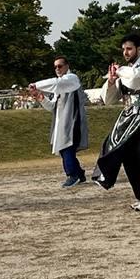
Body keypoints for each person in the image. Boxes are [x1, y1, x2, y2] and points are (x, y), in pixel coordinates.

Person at [92, 33, 140, 212]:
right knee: (128, 157)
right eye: (123, 49)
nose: (125, 52)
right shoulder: (125, 72)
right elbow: (109, 99)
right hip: (128, 119)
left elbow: (134, 77)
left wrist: (119, 71)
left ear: (139, 49)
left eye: (129, 48)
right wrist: (110, 81)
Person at [28, 56, 89, 187]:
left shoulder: (72, 78)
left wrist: (36, 85)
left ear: (67, 66)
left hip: (73, 120)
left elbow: (57, 83)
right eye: (55, 67)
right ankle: (79, 173)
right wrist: (41, 98)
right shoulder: (59, 86)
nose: (57, 69)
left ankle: (72, 175)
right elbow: (52, 107)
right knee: (65, 149)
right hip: (61, 122)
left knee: (66, 148)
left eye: (60, 66)